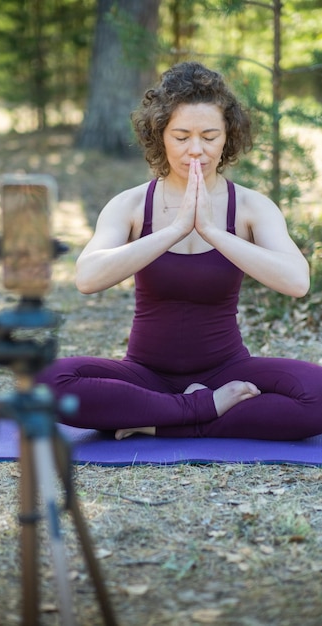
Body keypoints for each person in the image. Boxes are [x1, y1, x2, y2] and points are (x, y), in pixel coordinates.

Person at [36, 61, 322, 441]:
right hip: (145, 375)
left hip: (228, 370)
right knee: (48, 383)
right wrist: (173, 230)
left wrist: (212, 232)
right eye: (181, 136)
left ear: (227, 137)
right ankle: (203, 409)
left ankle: (156, 420)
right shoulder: (132, 205)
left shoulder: (252, 207)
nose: (196, 151)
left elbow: (297, 281)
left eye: (209, 136)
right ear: (160, 136)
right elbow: (87, 277)